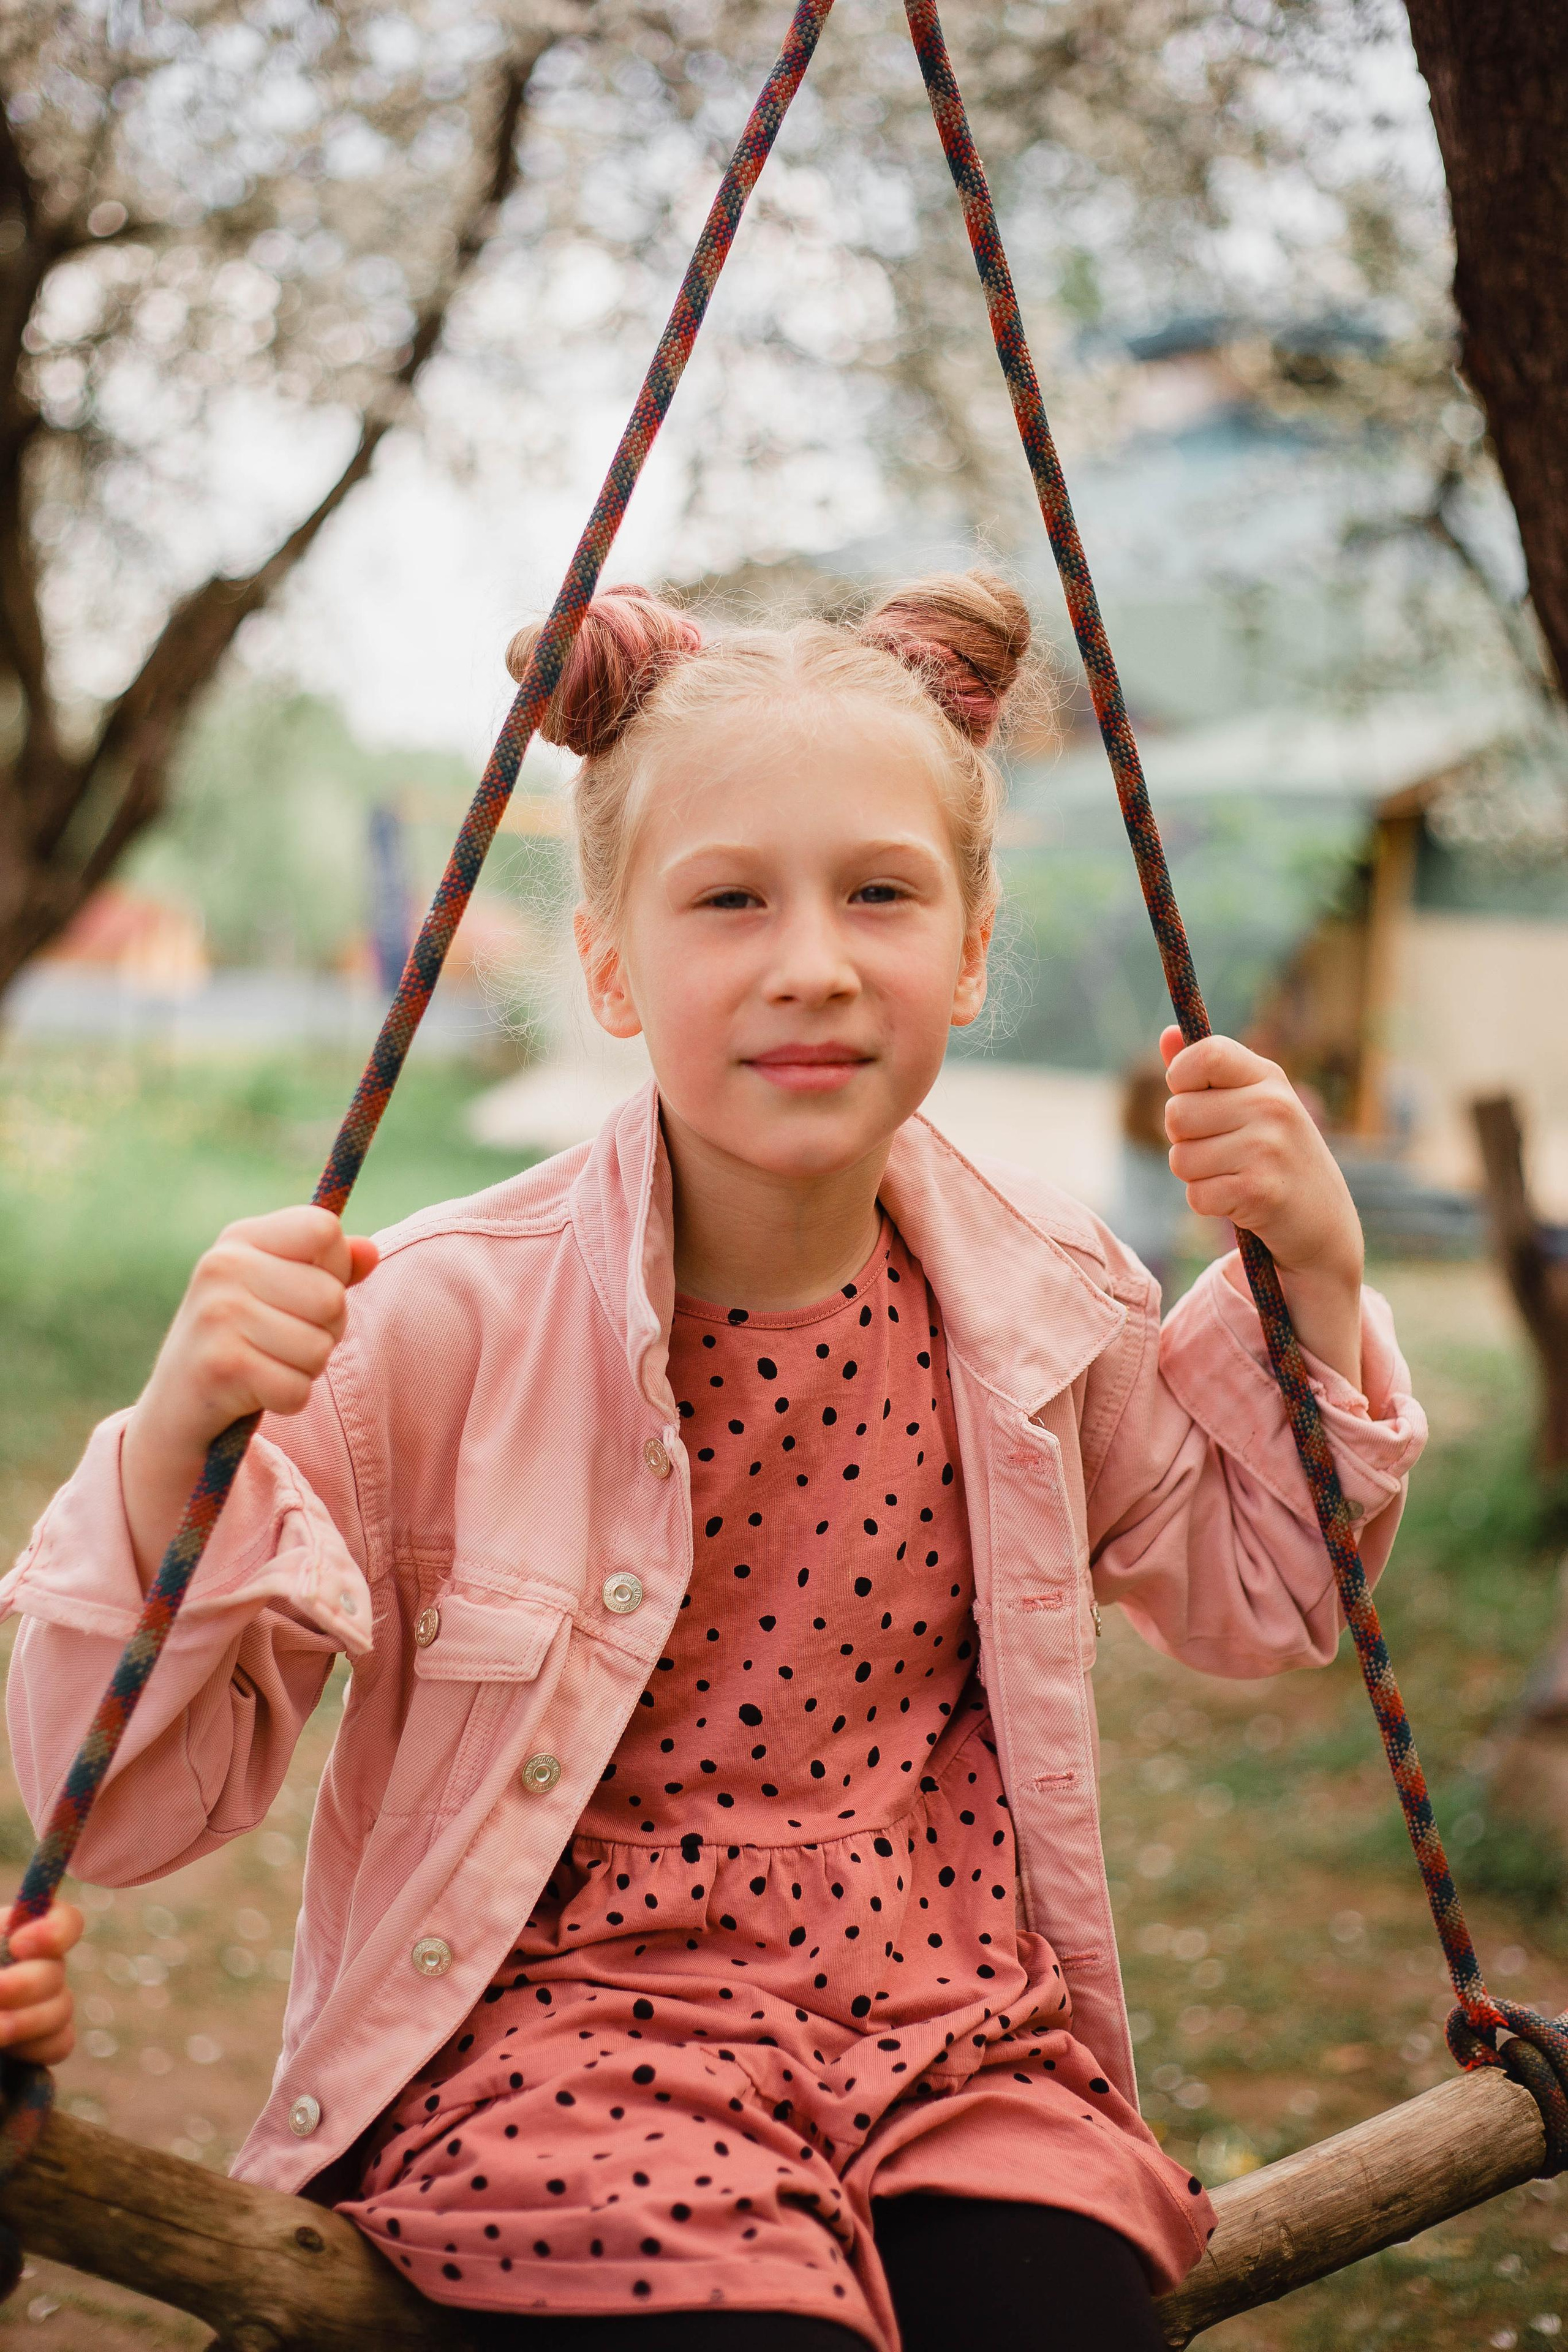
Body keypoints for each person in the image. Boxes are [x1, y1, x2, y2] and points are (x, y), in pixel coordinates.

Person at [2, 572, 1426, 2352]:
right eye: (731, 898)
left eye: (880, 893)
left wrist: (1316, 1276)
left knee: (1063, 2309)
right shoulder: (429, 1325)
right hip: (561, 2059)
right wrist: (170, 1449)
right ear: (610, 961)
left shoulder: (1045, 1299)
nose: (811, 961)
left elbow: (1267, 1595)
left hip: (951, 2046)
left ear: (971, 948)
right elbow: (133, 1802)